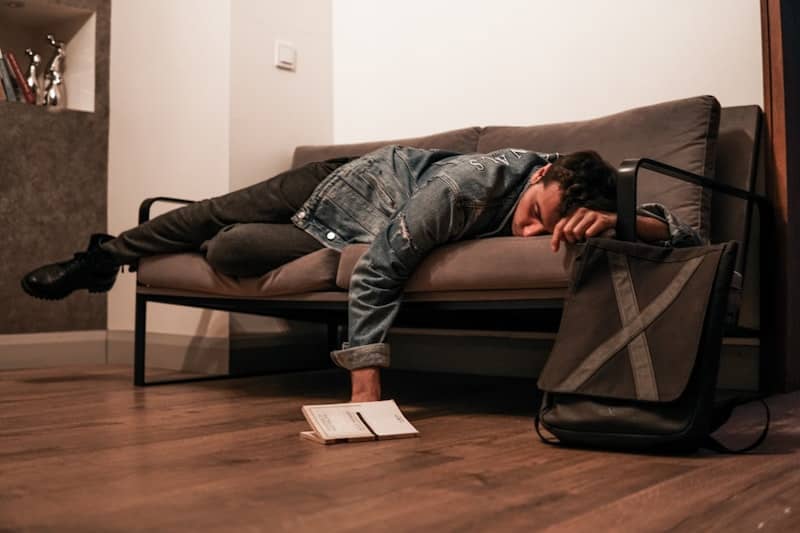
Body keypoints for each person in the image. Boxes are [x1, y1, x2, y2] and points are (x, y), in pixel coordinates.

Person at [21, 145, 701, 402]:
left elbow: (689, 233)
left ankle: (123, 256)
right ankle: (101, 258)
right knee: (211, 215)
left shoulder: (584, 184)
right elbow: (379, 272)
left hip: (345, 228)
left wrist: (622, 222)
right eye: (530, 214)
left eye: (543, 230)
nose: (529, 235)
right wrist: (366, 380)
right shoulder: (468, 188)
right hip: (339, 188)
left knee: (228, 250)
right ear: (540, 175)